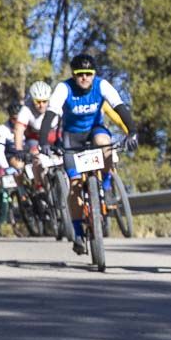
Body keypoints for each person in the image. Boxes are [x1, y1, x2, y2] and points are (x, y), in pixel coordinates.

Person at [38, 54, 138, 255]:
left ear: (94, 74)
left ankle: (107, 185)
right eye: (80, 74)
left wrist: (133, 132)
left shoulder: (101, 85)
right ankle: (78, 234)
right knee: (74, 187)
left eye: (88, 74)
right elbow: (51, 114)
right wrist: (43, 142)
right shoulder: (63, 88)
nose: (84, 78)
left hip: (94, 131)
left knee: (105, 144)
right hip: (71, 138)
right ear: (74, 75)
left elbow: (120, 107)